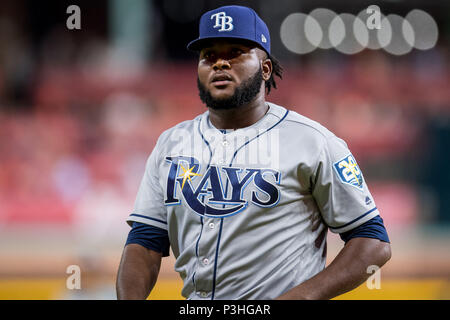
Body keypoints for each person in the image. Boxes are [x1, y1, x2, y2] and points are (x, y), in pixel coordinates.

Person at [116, 5, 391, 300]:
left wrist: (303, 297)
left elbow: (372, 242)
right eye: (208, 55)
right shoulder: (171, 143)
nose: (219, 63)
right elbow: (145, 241)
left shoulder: (313, 142)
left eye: (235, 52)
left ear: (265, 68)